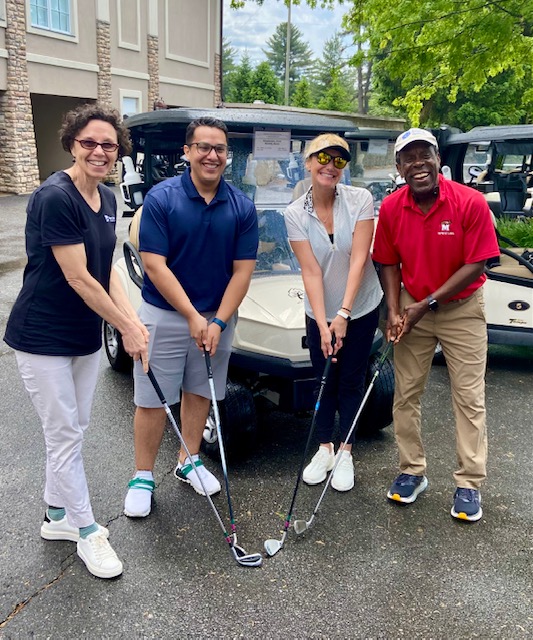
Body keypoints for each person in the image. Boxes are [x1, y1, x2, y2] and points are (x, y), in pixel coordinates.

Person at [3, 103, 150, 578]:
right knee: (63, 432)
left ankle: (56, 516)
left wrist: (135, 320)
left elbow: (106, 269)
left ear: (119, 152)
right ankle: (88, 532)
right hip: (41, 334)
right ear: (72, 143)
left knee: (74, 427)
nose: (99, 151)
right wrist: (125, 329)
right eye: (89, 142)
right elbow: (78, 279)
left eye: (109, 144)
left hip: (83, 335)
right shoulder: (54, 197)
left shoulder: (107, 200)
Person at [123, 117, 258, 518]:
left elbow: (243, 271)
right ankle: (143, 476)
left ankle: (189, 459)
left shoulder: (241, 205)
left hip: (218, 317)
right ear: (187, 152)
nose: (212, 155)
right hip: (164, 315)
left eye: (219, 149)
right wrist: (192, 316)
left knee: (201, 391)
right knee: (153, 400)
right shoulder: (162, 199)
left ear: (226, 156)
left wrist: (216, 322)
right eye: (203, 147)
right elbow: (155, 265)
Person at [372, 127, 499, 522]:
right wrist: (394, 310)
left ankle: (468, 482)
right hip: (414, 305)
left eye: (424, 154)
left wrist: (425, 304)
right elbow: (388, 262)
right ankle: (412, 471)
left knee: (468, 396)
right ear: (398, 167)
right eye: (408, 158)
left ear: (438, 158)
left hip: (459, 309)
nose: (418, 164)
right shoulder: (392, 208)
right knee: (406, 393)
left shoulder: (470, 202)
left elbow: (477, 262)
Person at [284, 133, 383, 492]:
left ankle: (346, 451)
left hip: (361, 305)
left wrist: (343, 313)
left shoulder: (360, 199)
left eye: (339, 160)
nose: (330, 166)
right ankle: (324, 447)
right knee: (324, 376)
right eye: (323, 158)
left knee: (351, 380)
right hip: (319, 309)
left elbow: (359, 258)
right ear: (308, 162)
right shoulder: (294, 213)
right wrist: (325, 322)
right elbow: (310, 270)